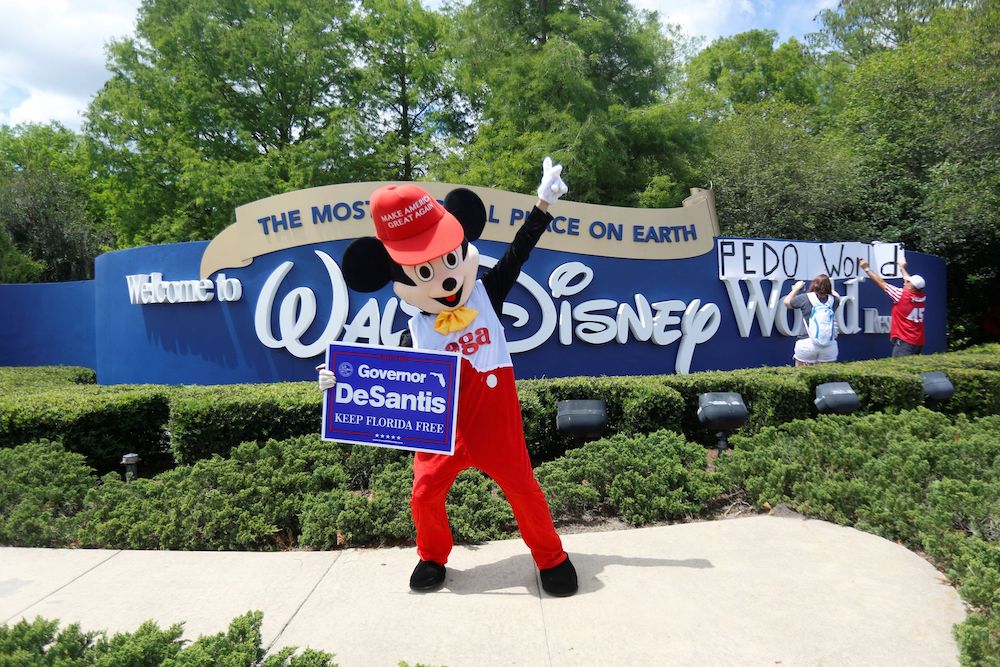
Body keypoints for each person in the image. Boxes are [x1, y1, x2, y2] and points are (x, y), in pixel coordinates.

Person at [319, 157, 578, 597]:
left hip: (495, 422)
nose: (445, 279)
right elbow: (380, 380)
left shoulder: (486, 294)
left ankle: (551, 557)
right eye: (425, 272)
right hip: (442, 429)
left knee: (523, 489)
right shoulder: (413, 331)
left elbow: (519, 251)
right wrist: (341, 382)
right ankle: (432, 555)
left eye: (451, 260)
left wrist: (543, 205)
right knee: (422, 496)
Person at [859, 258, 926, 356]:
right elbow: (909, 281)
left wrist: (866, 268)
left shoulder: (901, 295)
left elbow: (881, 283)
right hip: (918, 342)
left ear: (911, 287)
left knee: (901, 369)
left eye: (907, 282)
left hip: (905, 342)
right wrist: (902, 268)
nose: (904, 282)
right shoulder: (922, 297)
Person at [782, 273, 840, 366]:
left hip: (806, 343)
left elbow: (787, 303)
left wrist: (796, 288)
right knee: (826, 378)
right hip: (829, 346)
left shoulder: (805, 298)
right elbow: (837, 296)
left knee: (801, 376)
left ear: (814, 285)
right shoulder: (834, 301)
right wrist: (827, 286)